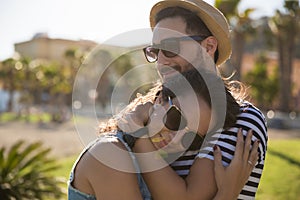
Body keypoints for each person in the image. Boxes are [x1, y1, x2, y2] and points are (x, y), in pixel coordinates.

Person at [123, 0, 268, 199]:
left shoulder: (243, 119)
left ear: (208, 46)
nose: (161, 61)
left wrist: (137, 135)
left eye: (170, 47)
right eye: (155, 51)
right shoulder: (149, 108)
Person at [68, 68, 259, 200]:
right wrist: (227, 195)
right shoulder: (110, 154)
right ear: (159, 100)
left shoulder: (153, 166)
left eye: (190, 139)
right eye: (176, 119)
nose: (175, 139)